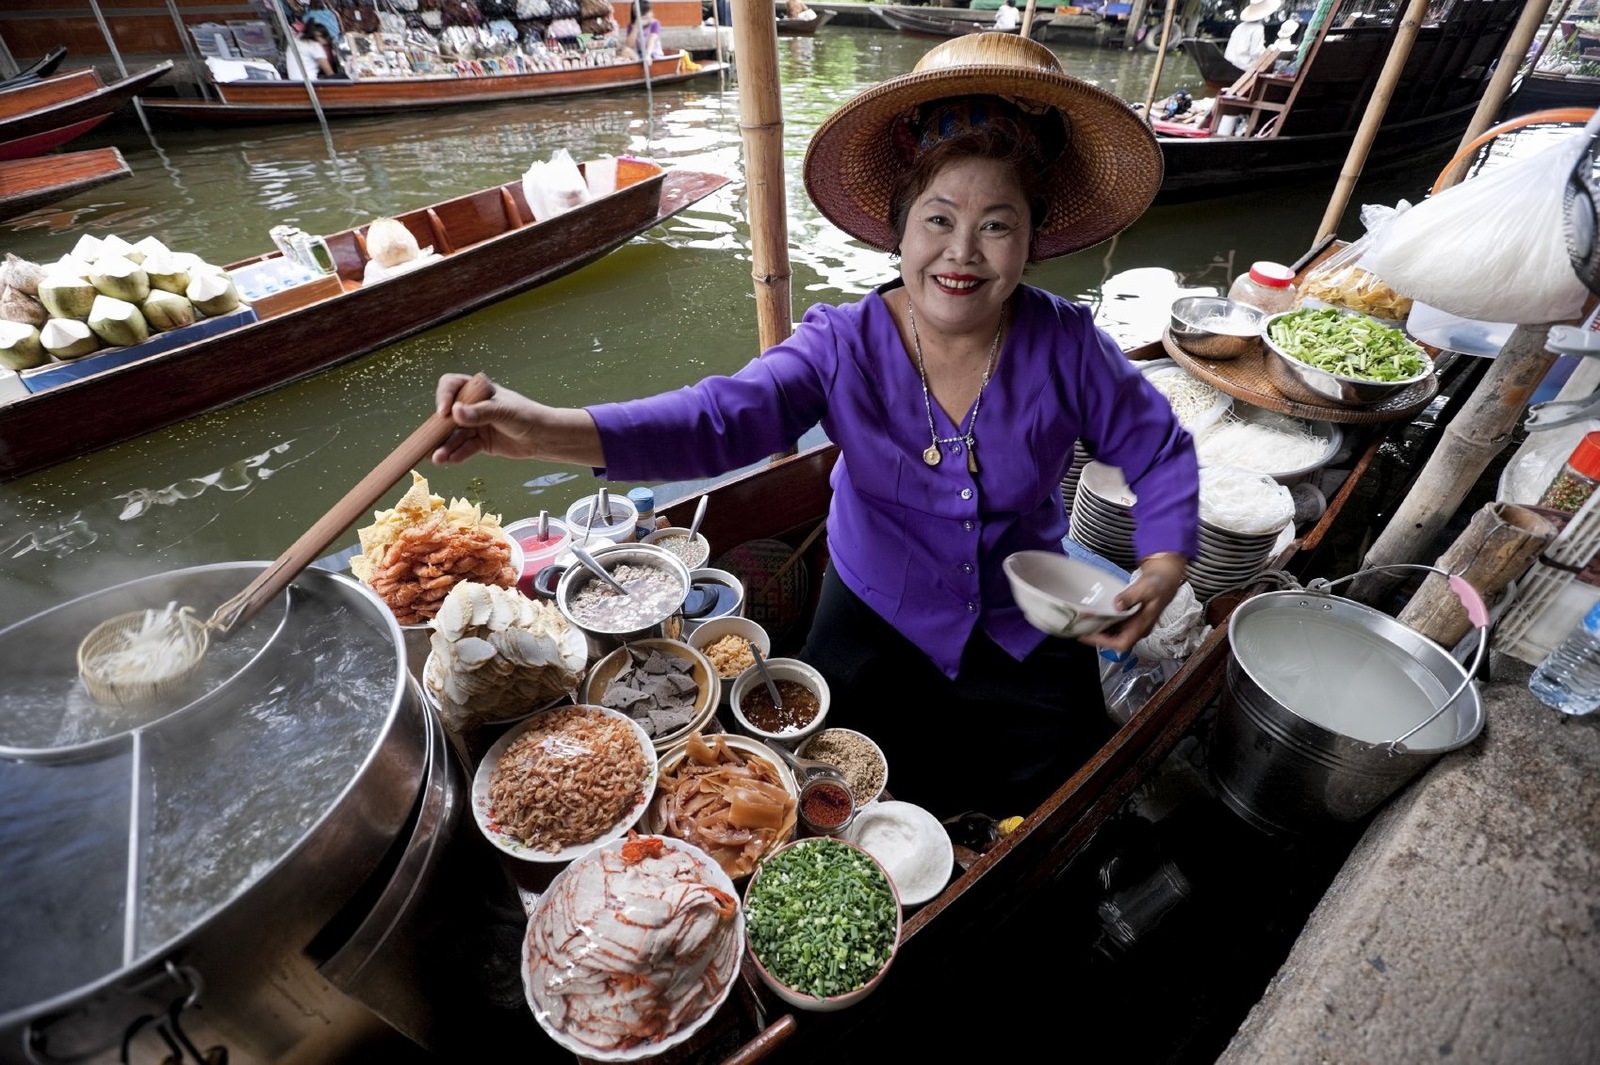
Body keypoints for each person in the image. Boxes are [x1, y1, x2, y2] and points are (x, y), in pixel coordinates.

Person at [432, 34, 1198, 818]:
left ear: (1032, 239)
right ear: (898, 231)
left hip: (1023, 618)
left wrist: (1164, 565)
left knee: (1055, 784)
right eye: (938, 219)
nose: (962, 252)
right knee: (841, 794)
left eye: (998, 225)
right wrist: (540, 430)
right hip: (874, 614)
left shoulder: (1066, 343)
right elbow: (717, 420)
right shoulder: (842, 343)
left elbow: (1161, 450)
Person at [1224, 0, 1283, 70]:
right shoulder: (1258, 28)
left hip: (1227, 65)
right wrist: (1269, 57)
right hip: (1242, 68)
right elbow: (1255, 52)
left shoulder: (1240, 26)